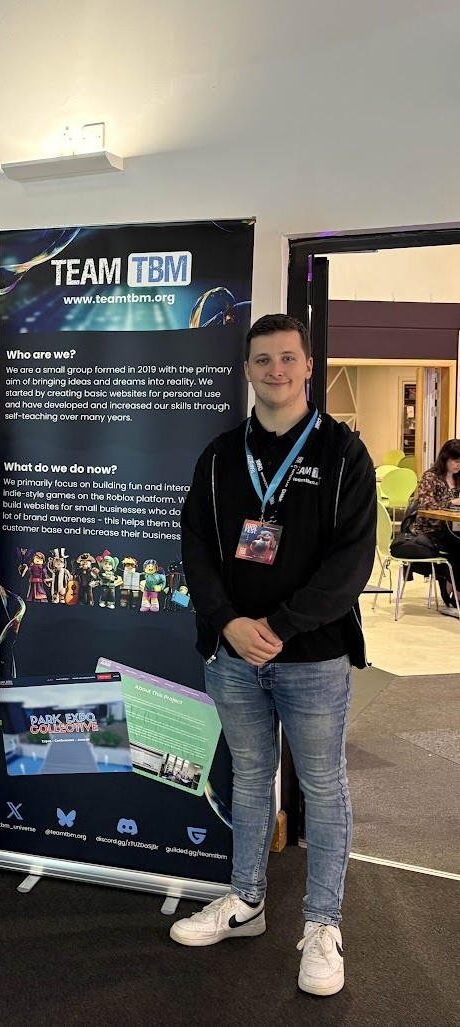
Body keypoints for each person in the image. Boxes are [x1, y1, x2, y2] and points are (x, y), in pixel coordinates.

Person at [176, 313, 376, 997]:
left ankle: (323, 924)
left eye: (288, 358)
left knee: (323, 786)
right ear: (249, 369)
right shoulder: (221, 455)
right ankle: (247, 901)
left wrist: (281, 626)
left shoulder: (345, 454)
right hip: (232, 654)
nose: (276, 371)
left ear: (308, 365)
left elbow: (352, 562)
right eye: (263, 360)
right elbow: (195, 546)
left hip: (313, 655)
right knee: (249, 775)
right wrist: (228, 620)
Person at [411, 439, 460, 612]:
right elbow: (426, 505)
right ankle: (454, 590)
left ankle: (452, 586)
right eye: (455, 460)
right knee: (457, 546)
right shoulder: (430, 477)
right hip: (431, 529)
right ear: (445, 458)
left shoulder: (458, 478)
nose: (458, 465)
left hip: (453, 528)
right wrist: (452, 501)